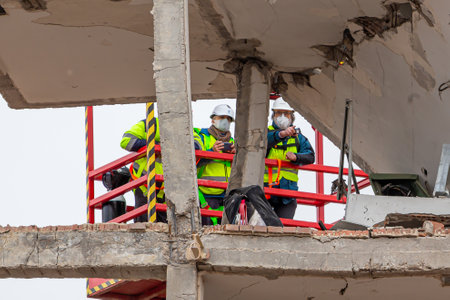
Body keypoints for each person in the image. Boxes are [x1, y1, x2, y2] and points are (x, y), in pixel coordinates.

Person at [264, 99, 315, 219]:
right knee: (262, 228)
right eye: (279, 113)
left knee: (283, 230)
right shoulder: (265, 133)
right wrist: (281, 135)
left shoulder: (298, 138)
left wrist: (296, 157)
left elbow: (310, 156)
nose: (282, 117)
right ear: (273, 115)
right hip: (266, 191)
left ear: (292, 116)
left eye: (286, 114)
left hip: (287, 192)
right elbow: (262, 144)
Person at [193, 104, 236, 225]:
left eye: (228, 119)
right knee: (207, 230)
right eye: (222, 117)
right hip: (206, 193)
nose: (225, 121)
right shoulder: (202, 137)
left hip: (226, 195)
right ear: (213, 119)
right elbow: (191, 162)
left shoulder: (232, 142)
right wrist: (212, 152)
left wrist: (235, 156)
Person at [120, 118, 166, 223]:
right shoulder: (151, 123)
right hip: (144, 185)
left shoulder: (183, 130)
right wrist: (153, 145)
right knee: (144, 226)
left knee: (166, 230)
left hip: (166, 189)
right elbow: (126, 141)